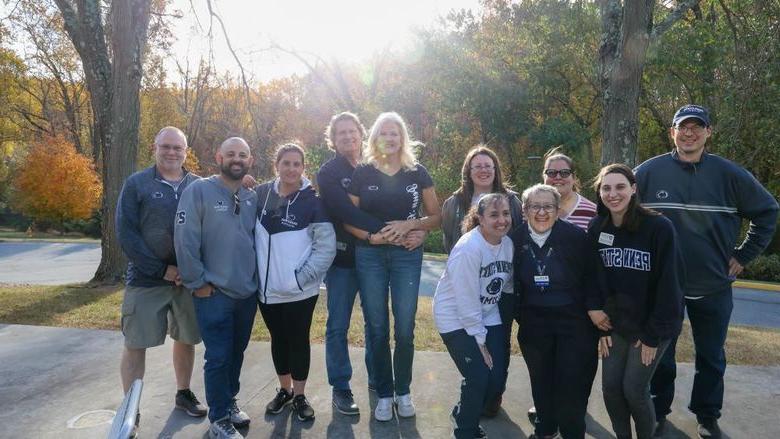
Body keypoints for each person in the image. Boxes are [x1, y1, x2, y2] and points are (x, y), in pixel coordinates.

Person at [636, 105, 778, 439]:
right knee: (660, 355)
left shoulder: (730, 174)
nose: (689, 133)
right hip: (662, 286)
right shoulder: (647, 172)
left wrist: (744, 255)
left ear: (708, 132)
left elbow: (768, 211)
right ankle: (657, 411)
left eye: (696, 127)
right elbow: (620, 210)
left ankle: (707, 415)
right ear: (672, 132)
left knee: (711, 356)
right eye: (682, 127)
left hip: (712, 285)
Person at [317, 112, 419, 415]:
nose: (347, 137)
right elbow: (344, 211)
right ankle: (341, 387)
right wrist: (389, 229)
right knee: (338, 325)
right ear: (333, 140)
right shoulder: (329, 172)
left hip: (378, 255)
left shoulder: (375, 164)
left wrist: (409, 230)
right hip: (346, 258)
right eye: (341, 134)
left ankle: (379, 380)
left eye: (352, 132)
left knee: (376, 323)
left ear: (362, 134)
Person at [345, 111, 442, 421]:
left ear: (402, 138)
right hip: (370, 255)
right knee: (376, 328)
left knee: (405, 328)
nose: (390, 137)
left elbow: (437, 217)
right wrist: (371, 237)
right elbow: (348, 217)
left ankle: (403, 391)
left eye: (395, 133)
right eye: (384, 132)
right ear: (375, 138)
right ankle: (384, 394)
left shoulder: (417, 172)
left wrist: (411, 226)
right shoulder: (363, 172)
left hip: (406, 257)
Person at [116, 126, 206, 435]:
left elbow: (210, 228)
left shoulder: (198, 185)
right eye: (165, 147)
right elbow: (126, 234)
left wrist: (189, 270)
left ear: (185, 151)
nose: (171, 152)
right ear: (155, 148)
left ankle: (183, 392)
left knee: (186, 338)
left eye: (177, 148)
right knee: (135, 342)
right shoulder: (137, 184)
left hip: (187, 281)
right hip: (146, 280)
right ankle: (131, 408)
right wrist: (160, 269)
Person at [589, 164, 684, 439]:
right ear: (599, 192)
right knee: (610, 389)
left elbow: (670, 286)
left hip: (653, 325)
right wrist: (601, 326)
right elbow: (594, 280)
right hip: (616, 324)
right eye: (606, 188)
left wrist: (653, 336)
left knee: (634, 390)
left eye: (620, 187)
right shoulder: (597, 228)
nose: (613, 193)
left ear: (633, 189)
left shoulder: (658, 227)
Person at [174, 137, 259, 439]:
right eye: (231, 154)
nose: (237, 159)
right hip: (213, 293)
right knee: (219, 355)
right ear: (218, 157)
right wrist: (197, 283)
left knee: (236, 353)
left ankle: (230, 401)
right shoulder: (198, 190)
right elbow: (185, 240)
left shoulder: (251, 196)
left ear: (250, 160)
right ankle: (219, 417)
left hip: (247, 293)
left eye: (243, 155)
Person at [511, 184, 601, 439]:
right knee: (541, 380)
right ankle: (545, 427)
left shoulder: (576, 237)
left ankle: (573, 431)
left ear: (558, 210)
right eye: (535, 206)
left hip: (574, 323)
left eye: (548, 206)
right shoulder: (514, 239)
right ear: (525, 210)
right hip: (533, 323)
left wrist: (595, 310)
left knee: (571, 383)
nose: (542, 212)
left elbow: (593, 277)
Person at [255, 143, 336, 422]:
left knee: (298, 340)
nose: (291, 168)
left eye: (296, 164)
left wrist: (299, 280)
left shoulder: (313, 201)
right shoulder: (260, 194)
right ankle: (285, 390)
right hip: (266, 292)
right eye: (286, 163)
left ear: (303, 168)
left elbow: (325, 248)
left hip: (300, 292)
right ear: (276, 165)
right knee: (278, 340)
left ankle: (300, 395)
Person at [440, 145, 522, 417]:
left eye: (489, 165)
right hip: (466, 282)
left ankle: (491, 396)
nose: (484, 169)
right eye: (478, 166)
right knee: (476, 358)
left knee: (498, 347)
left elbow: (515, 239)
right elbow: (449, 240)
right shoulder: (455, 202)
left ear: (496, 169)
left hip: (499, 288)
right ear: (469, 171)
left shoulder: (512, 200)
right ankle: (473, 399)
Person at [434, 193, 513, 439]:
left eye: (506, 214)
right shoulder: (469, 248)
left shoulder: (507, 244)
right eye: (494, 215)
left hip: (487, 314)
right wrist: (480, 339)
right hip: (455, 318)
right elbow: (465, 299)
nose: (501, 220)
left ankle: (462, 411)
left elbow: (506, 285)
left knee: (496, 376)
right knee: (478, 374)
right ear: (479, 218)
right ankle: (465, 430)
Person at [542, 147, 597, 231]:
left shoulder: (592, 212)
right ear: (544, 177)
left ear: (574, 177)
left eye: (565, 172)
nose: (558, 177)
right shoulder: (529, 209)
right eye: (551, 172)